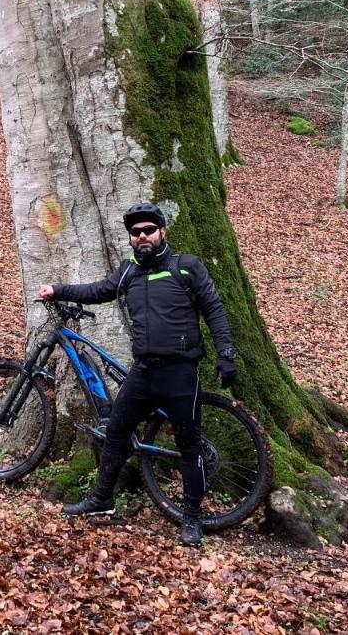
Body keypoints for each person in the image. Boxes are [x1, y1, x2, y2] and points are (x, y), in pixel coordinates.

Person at [38, 201, 238, 547]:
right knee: (115, 432)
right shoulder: (129, 271)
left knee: (189, 446)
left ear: (162, 232)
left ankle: (192, 517)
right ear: (130, 238)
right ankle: (102, 498)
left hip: (180, 372)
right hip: (143, 370)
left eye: (148, 230)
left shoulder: (186, 267)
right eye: (135, 232)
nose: (142, 236)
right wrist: (59, 289)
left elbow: (214, 309)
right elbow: (98, 291)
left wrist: (226, 354)